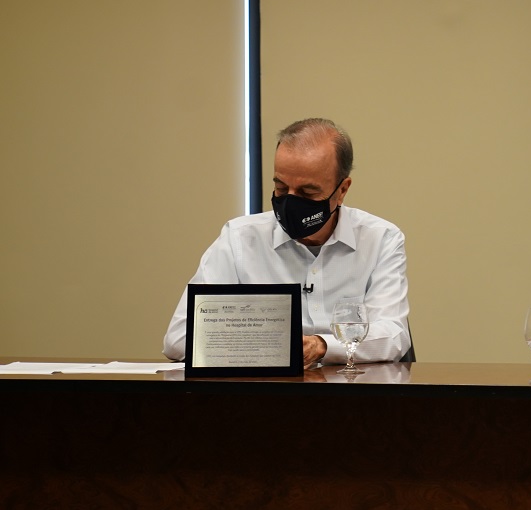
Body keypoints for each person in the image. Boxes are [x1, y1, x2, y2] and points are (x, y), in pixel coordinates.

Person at [163, 118, 410, 368]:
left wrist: (322, 346)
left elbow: (394, 336)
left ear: (342, 190)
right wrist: (274, 345)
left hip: (351, 389)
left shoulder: (380, 239)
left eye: (307, 193)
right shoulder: (240, 239)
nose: (291, 202)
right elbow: (180, 339)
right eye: (281, 189)